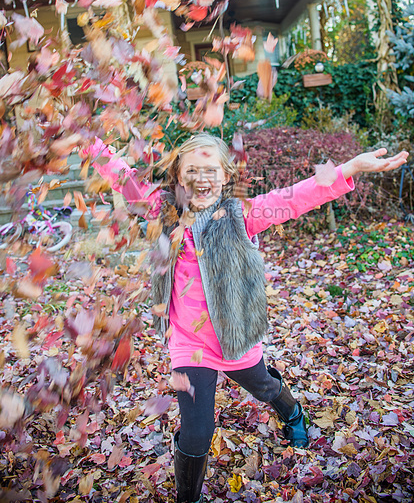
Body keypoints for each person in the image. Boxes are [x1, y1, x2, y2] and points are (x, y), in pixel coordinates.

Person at [82, 133, 408, 503]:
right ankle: (188, 498)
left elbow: (296, 197)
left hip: (235, 336)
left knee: (265, 387)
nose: (201, 179)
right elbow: (125, 179)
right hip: (190, 345)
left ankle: (293, 412)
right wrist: (89, 142)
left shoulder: (242, 214)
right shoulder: (162, 210)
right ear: (177, 177)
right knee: (196, 433)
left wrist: (348, 167)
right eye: (192, 170)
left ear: (224, 177)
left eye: (210, 170)